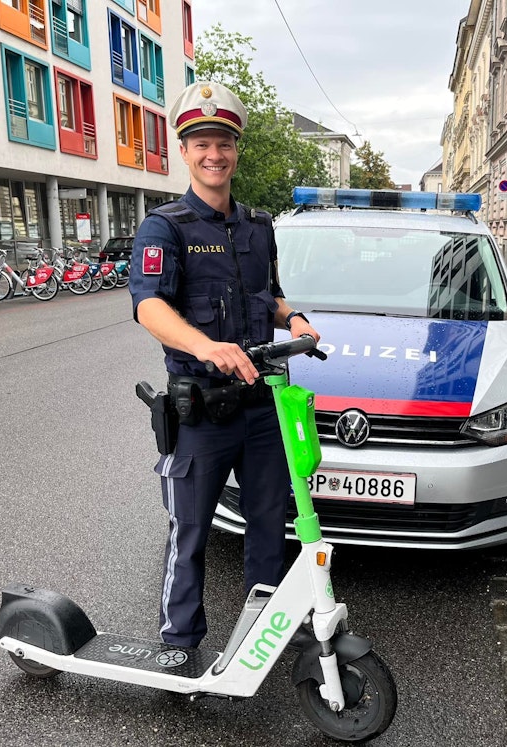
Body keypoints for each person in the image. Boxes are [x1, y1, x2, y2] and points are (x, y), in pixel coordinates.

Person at [129, 81, 320, 649]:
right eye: (201, 143)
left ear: (236, 150)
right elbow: (148, 305)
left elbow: (272, 293)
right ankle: (179, 644)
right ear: (183, 152)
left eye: (224, 143)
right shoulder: (166, 228)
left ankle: (263, 632)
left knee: (269, 526)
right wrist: (204, 346)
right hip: (202, 412)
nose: (214, 155)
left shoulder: (260, 227)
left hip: (262, 409)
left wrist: (296, 319)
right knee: (188, 533)